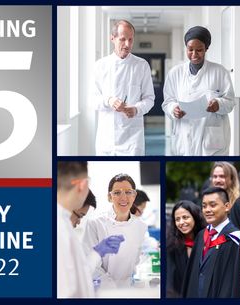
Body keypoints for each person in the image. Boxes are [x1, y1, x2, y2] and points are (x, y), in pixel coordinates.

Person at [163, 26, 236, 156]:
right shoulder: (175, 73)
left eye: (199, 50)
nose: (194, 54)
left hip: (211, 140)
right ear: (186, 47)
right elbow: (168, 101)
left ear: (206, 48)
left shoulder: (219, 72)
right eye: (190, 49)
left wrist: (218, 104)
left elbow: (230, 101)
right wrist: (173, 109)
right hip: (184, 135)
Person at [57, 162, 123, 298]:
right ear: (83, 185)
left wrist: (97, 252)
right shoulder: (60, 228)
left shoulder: (62, 222)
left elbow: (77, 274)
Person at [93, 20, 155, 156]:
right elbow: (92, 99)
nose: (127, 44)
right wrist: (108, 100)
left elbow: (150, 98)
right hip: (107, 139)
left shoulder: (141, 65)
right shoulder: (100, 66)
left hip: (132, 138)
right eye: (122, 39)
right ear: (112, 38)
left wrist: (136, 109)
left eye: (130, 40)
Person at [83, 174, 147, 288]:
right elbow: (90, 263)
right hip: (103, 290)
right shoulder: (95, 223)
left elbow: (138, 261)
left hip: (129, 289)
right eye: (117, 193)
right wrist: (111, 288)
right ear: (109, 197)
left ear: (134, 195)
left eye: (128, 192)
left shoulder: (141, 226)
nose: (123, 198)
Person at [182, 187, 240, 297]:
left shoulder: (234, 239)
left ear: (227, 206)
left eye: (213, 205)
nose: (207, 210)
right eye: (204, 206)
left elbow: (232, 283)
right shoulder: (202, 235)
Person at [166, 200, 207, 298]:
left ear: (195, 217)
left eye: (185, 217)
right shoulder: (171, 246)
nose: (181, 222)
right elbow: (170, 279)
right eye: (177, 219)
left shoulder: (207, 241)